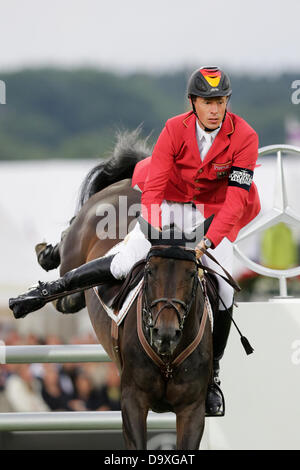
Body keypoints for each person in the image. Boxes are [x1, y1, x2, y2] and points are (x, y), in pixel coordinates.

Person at [9, 66, 261, 415]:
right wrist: (155, 234)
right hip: (170, 205)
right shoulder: (175, 129)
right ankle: (45, 291)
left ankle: (212, 376)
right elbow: (155, 189)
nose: (214, 109)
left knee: (225, 288)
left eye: (220, 101)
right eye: (207, 102)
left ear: (227, 102)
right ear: (193, 103)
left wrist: (210, 240)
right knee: (122, 260)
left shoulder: (245, 137)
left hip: (214, 213)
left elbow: (235, 200)